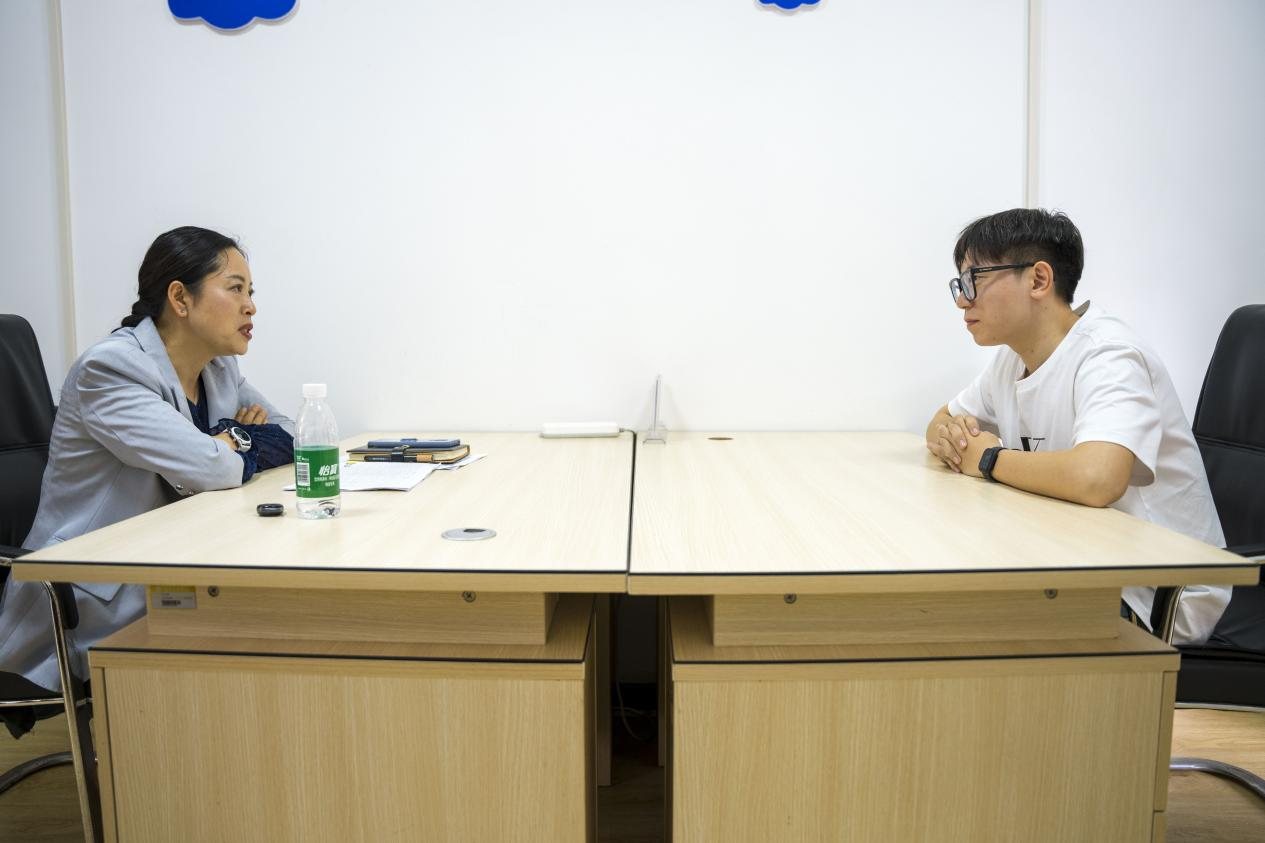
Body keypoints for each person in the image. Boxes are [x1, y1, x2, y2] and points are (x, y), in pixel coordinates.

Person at [0, 226, 294, 709]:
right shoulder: (110, 370)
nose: (251, 307)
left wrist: (232, 440)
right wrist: (228, 443)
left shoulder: (218, 367)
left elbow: (289, 436)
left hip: (170, 565)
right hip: (90, 592)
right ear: (180, 298)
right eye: (235, 289)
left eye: (251, 292)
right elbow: (214, 468)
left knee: (275, 609)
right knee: (262, 620)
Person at [924, 208, 1229, 644]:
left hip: (1156, 593)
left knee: (957, 616)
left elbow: (1097, 478)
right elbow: (942, 419)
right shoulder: (1011, 358)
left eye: (975, 280)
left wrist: (988, 459)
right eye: (960, 284)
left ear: (1038, 280)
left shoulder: (1110, 356)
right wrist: (949, 437)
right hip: (1078, 559)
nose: (962, 300)